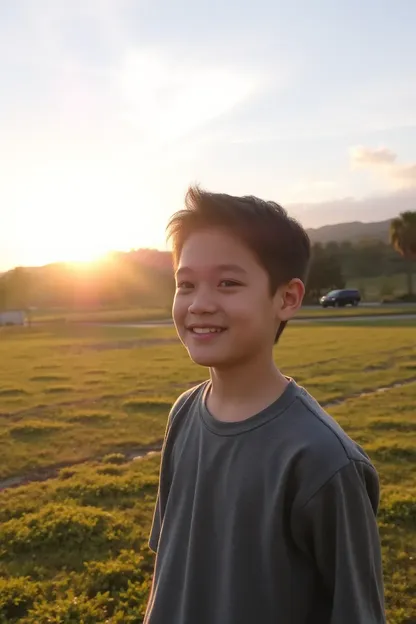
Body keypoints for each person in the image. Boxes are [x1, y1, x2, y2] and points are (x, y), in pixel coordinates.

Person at [144, 186, 385, 624]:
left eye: (228, 283)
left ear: (287, 298)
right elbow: (169, 569)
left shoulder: (323, 460)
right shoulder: (183, 414)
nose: (199, 304)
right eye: (186, 284)